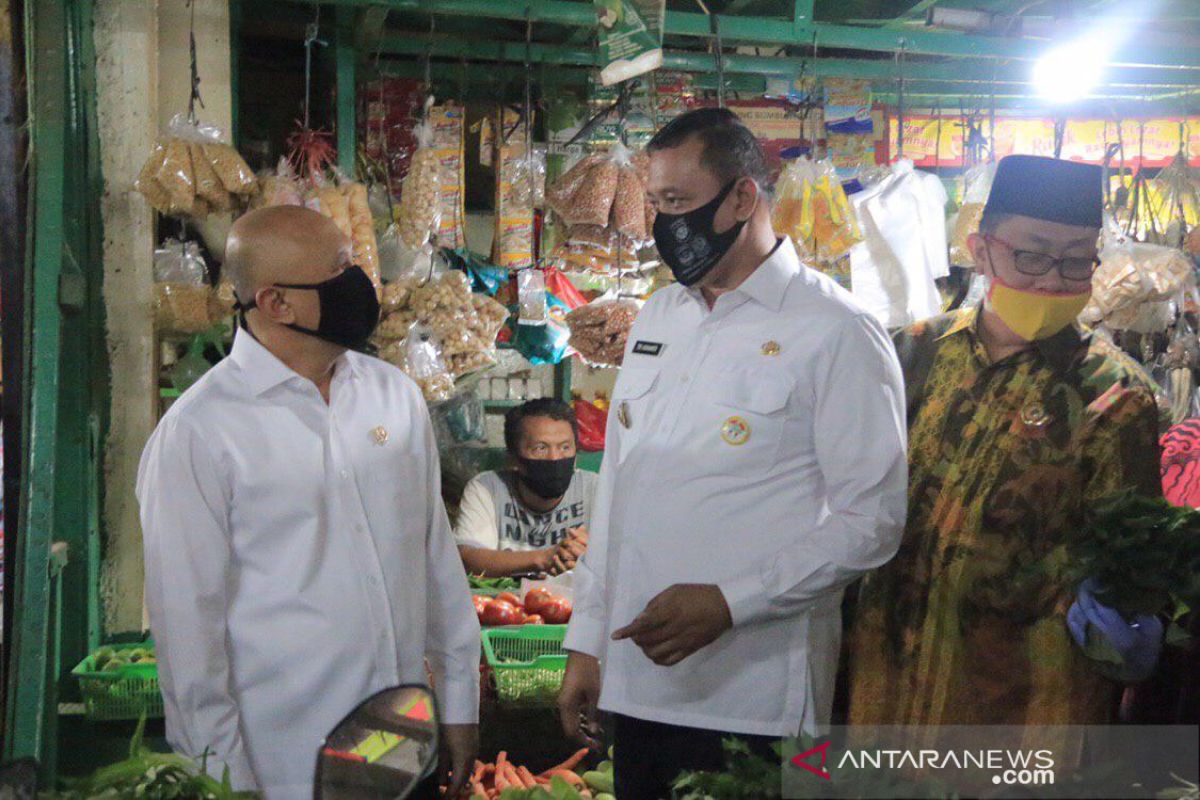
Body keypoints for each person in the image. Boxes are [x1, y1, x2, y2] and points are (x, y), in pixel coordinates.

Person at [556, 108, 909, 799]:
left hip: (757, 703)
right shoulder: (659, 317)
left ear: (743, 197)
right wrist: (586, 640)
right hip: (638, 688)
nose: (664, 226)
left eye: (679, 204)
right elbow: (623, 490)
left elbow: (873, 521)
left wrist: (732, 602)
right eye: (656, 205)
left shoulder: (837, 331)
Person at [138, 206, 480, 799]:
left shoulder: (394, 397)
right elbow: (189, 635)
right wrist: (224, 781)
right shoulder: (199, 433)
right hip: (284, 767)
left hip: (405, 745)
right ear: (276, 303)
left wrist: (458, 703)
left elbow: (435, 560)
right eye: (341, 268)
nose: (361, 282)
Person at [847, 155, 1165, 734]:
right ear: (981, 248)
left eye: (1076, 262)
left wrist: (1127, 617)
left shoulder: (1115, 398)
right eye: (1032, 254)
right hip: (881, 685)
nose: (1052, 279)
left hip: (1019, 705)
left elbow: (1131, 562)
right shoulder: (907, 355)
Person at [455, 399, 598, 577]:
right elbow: (467, 558)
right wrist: (544, 558)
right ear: (513, 459)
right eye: (540, 448)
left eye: (565, 447)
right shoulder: (488, 488)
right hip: (506, 602)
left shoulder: (595, 489)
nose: (554, 458)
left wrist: (591, 553)